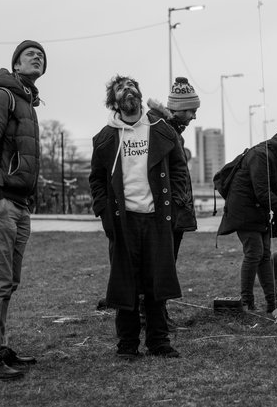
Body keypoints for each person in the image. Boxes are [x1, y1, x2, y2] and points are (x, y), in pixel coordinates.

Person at [89, 75, 192, 359]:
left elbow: (179, 169)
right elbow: (96, 180)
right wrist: (104, 212)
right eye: (121, 88)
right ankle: (127, 345)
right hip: (123, 222)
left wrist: (175, 204)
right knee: (126, 285)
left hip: (157, 219)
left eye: (132, 86)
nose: (128, 90)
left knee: (157, 283)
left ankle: (159, 342)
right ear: (114, 101)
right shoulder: (105, 138)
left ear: (139, 95)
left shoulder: (161, 130)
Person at [0, 40, 46, 380]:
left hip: (18, 202)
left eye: (41, 55)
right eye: (30, 54)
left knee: (9, 281)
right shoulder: (1, 96)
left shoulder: (27, 102)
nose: (37, 57)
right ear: (15, 64)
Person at [217, 122, 277, 313]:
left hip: (259, 210)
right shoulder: (260, 155)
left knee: (265, 255)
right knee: (254, 253)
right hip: (243, 210)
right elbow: (263, 193)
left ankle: (272, 302)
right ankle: (247, 303)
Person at [146, 76, 200, 260]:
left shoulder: (173, 132)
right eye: (192, 111)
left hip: (173, 209)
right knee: (165, 262)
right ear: (179, 109)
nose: (194, 116)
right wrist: (177, 202)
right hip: (168, 212)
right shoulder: (164, 132)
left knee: (167, 261)